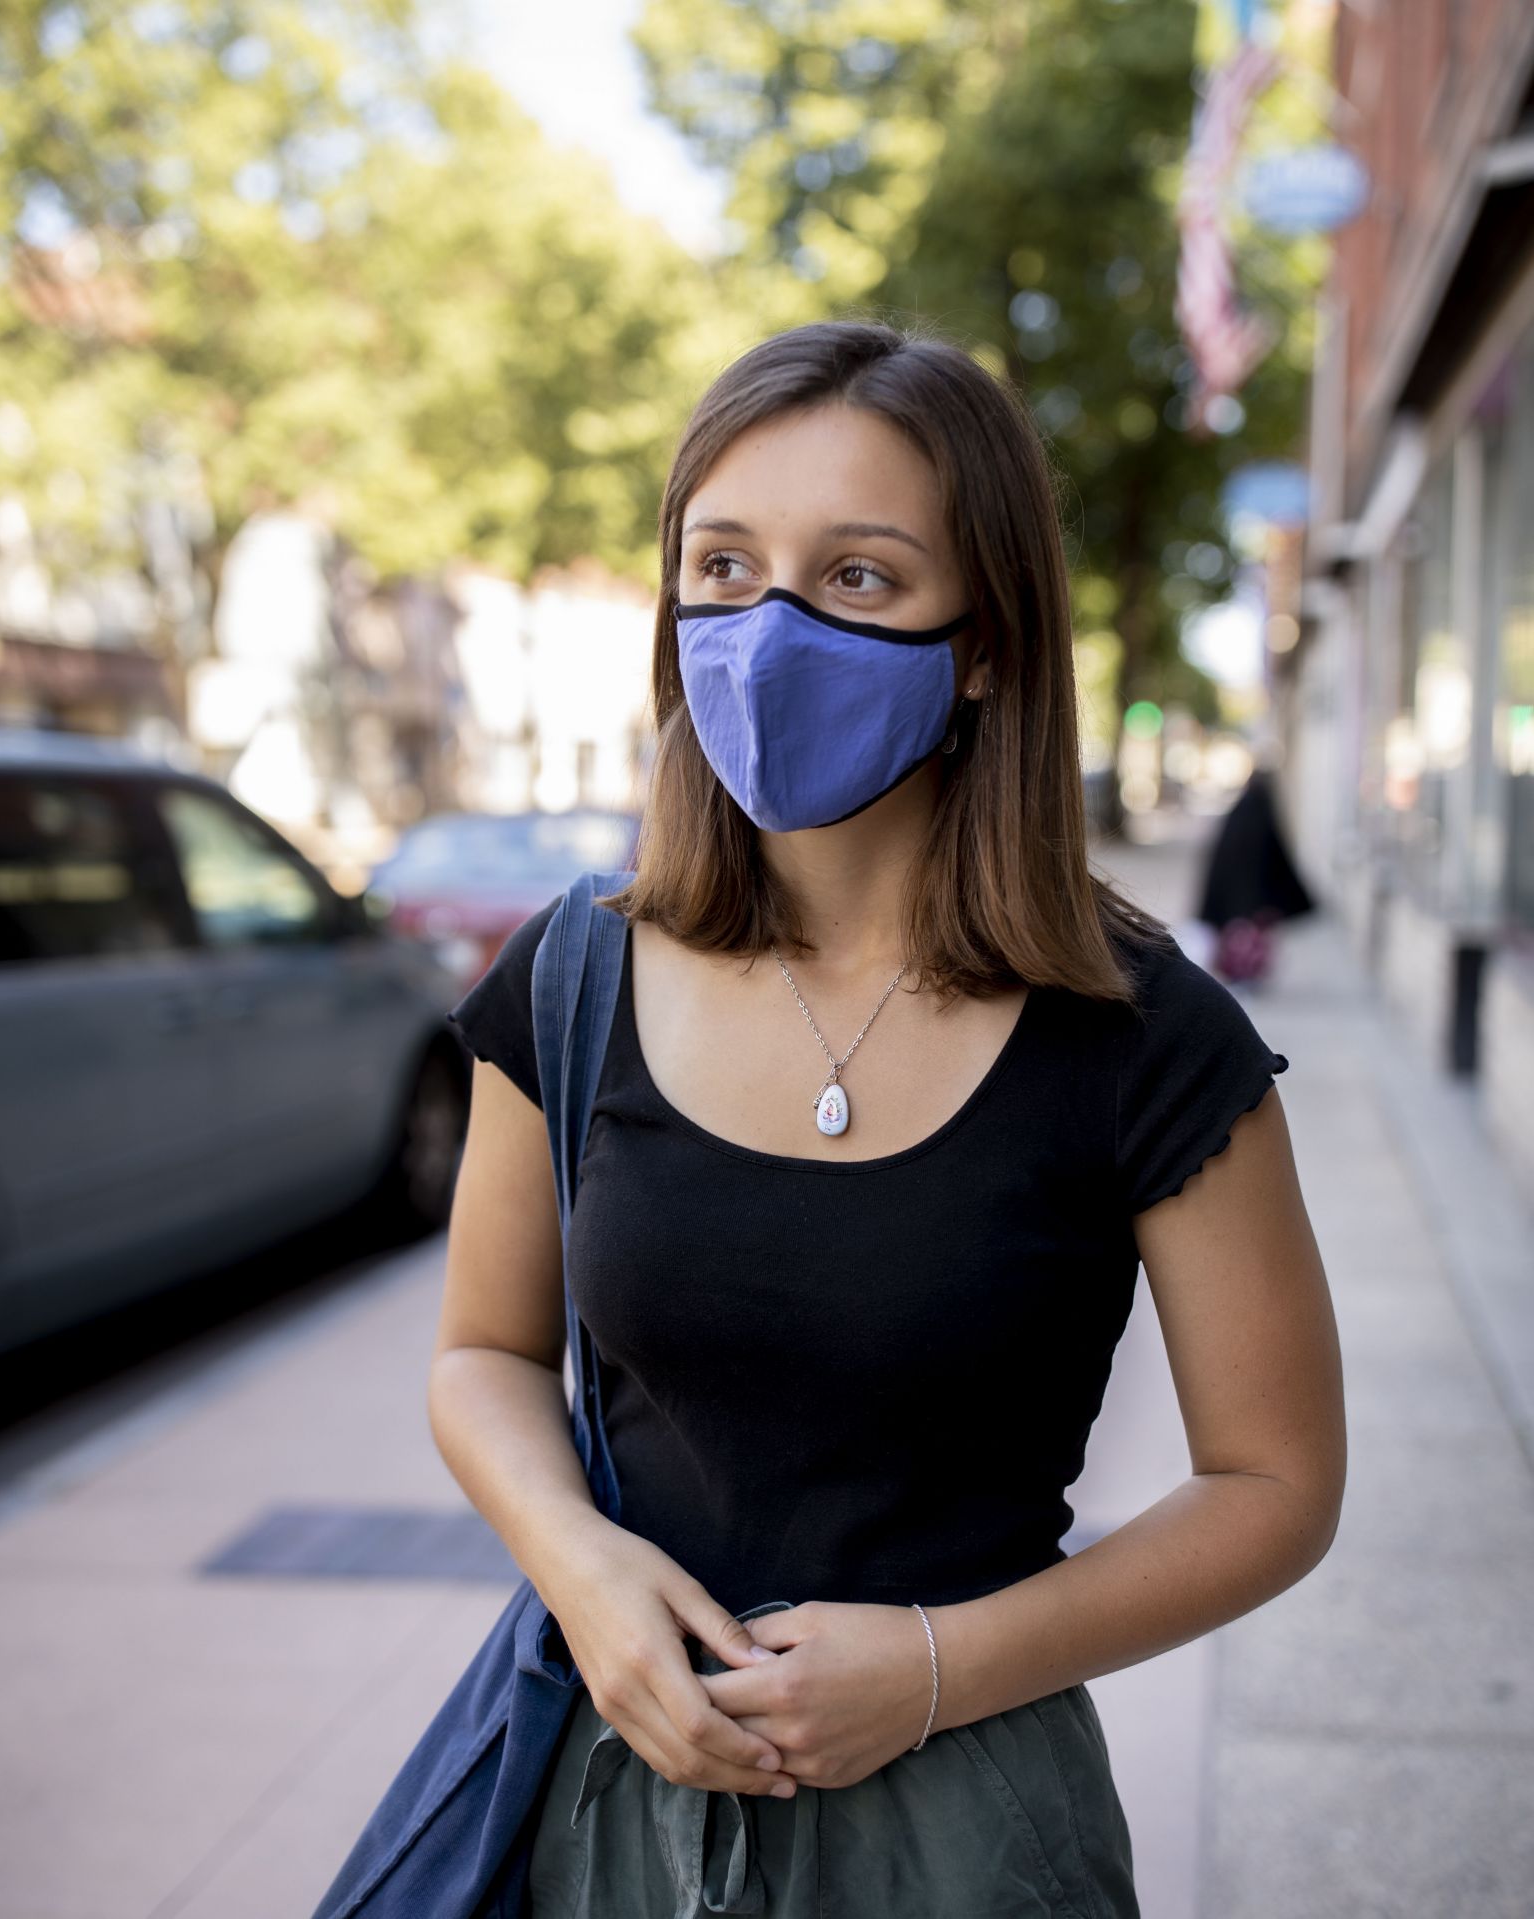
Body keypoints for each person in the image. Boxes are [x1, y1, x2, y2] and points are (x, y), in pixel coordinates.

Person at [437, 318, 1346, 1917]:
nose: (767, 628)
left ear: (983, 637)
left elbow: (1273, 1483)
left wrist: (933, 1664)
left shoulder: (1143, 1036)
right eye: (720, 567)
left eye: (856, 576)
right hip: (614, 1799)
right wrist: (582, 1574)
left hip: (972, 1826)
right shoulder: (573, 969)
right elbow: (481, 1353)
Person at [1195, 751, 1318, 988]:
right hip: (1249, 902)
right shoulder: (1256, 812)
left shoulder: (1245, 810)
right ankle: (1243, 973)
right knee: (1243, 942)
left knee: (1242, 941)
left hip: (1242, 902)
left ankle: (1243, 973)